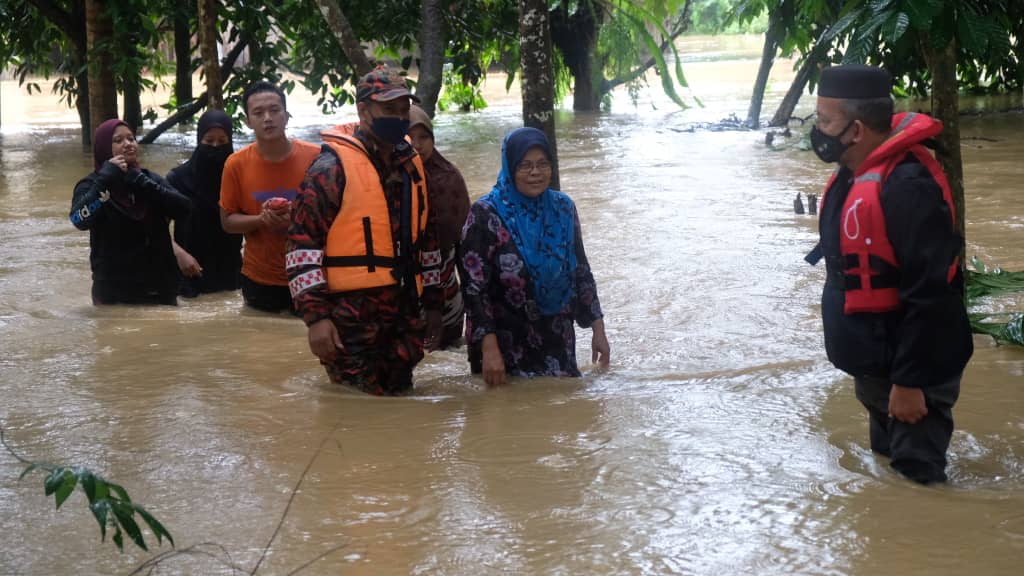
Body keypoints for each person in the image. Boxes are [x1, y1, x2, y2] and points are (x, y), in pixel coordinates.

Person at [805, 64, 973, 484]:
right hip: (879, 362)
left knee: (919, 482)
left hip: (913, 367)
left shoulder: (908, 187)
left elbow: (931, 292)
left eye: (825, 121)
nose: (817, 131)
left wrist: (910, 382)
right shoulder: (853, 174)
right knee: (887, 476)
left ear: (857, 130)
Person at [287, 65, 445, 395]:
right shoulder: (329, 170)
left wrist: (433, 304)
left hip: (403, 317)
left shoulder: (410, 166)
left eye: (403, 110)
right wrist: (316, 319)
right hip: (350, 321)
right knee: (355, 407)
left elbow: (426, 241)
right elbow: (301, 248)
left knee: (400, 404)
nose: (398, 118)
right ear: (363, 110)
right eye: (389, 109)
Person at [459, 127, 610, 386]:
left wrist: (598, 329)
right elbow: (474, 289)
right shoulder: (485, 214)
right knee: (508, 410)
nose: (535, 172)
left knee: (560, 405)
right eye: (525, 165)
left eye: (543, 164)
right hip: (503, 342)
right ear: (510, 167)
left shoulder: (563, 208)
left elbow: (580, 269)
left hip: (557, 335)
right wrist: (489, 347)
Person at [220, 81, 321, 312]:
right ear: (247, 121)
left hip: (311, 272)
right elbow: (227, 222)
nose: (268, 118)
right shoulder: (235, 164)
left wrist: (296, 219)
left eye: (274, 110)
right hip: (259, 277)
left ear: (286, 116)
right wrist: (262, 219)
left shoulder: (316, 157)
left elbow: (335, 214)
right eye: (258, 113)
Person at [70, 119, 192, 305]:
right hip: (113, 294)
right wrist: (104, 181)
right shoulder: (91, 185)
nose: (128, 144)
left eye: (131, 138)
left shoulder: (148, 180)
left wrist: (143, 183)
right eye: (118, 140)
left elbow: (185, 209)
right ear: (104, 147)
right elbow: (79, 219)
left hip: (160, 289)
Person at [408, 104, 471, 349]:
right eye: (410, 137)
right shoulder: (391, 178)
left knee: (449, 350)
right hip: (406, 285)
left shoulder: (449, 177)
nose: (417, 145)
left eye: (424, 137)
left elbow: (465, 240)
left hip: (445, 280)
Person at [166, 109, 241, 297]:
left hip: (232, 276)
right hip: (189, 274)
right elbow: (155, 227)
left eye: (222, 141)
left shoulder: (240, 179)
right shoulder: (178, 179)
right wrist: (179, 255)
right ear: (199, 140)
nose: (215, 146)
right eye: (209, 141)